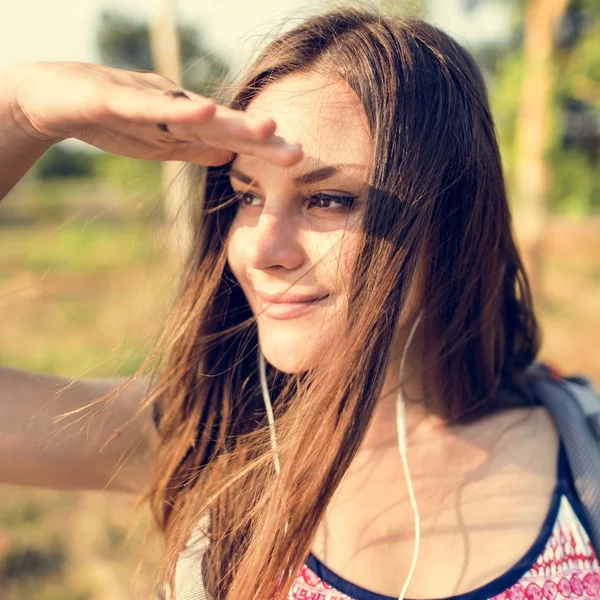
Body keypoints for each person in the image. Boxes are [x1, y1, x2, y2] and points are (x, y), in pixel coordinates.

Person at [1, 5, 598, 600]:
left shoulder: (582, 460)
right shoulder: (208, 438)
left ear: (455, 221)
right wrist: (21, 112)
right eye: (249, 197)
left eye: (329, 201)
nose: (261, 250)